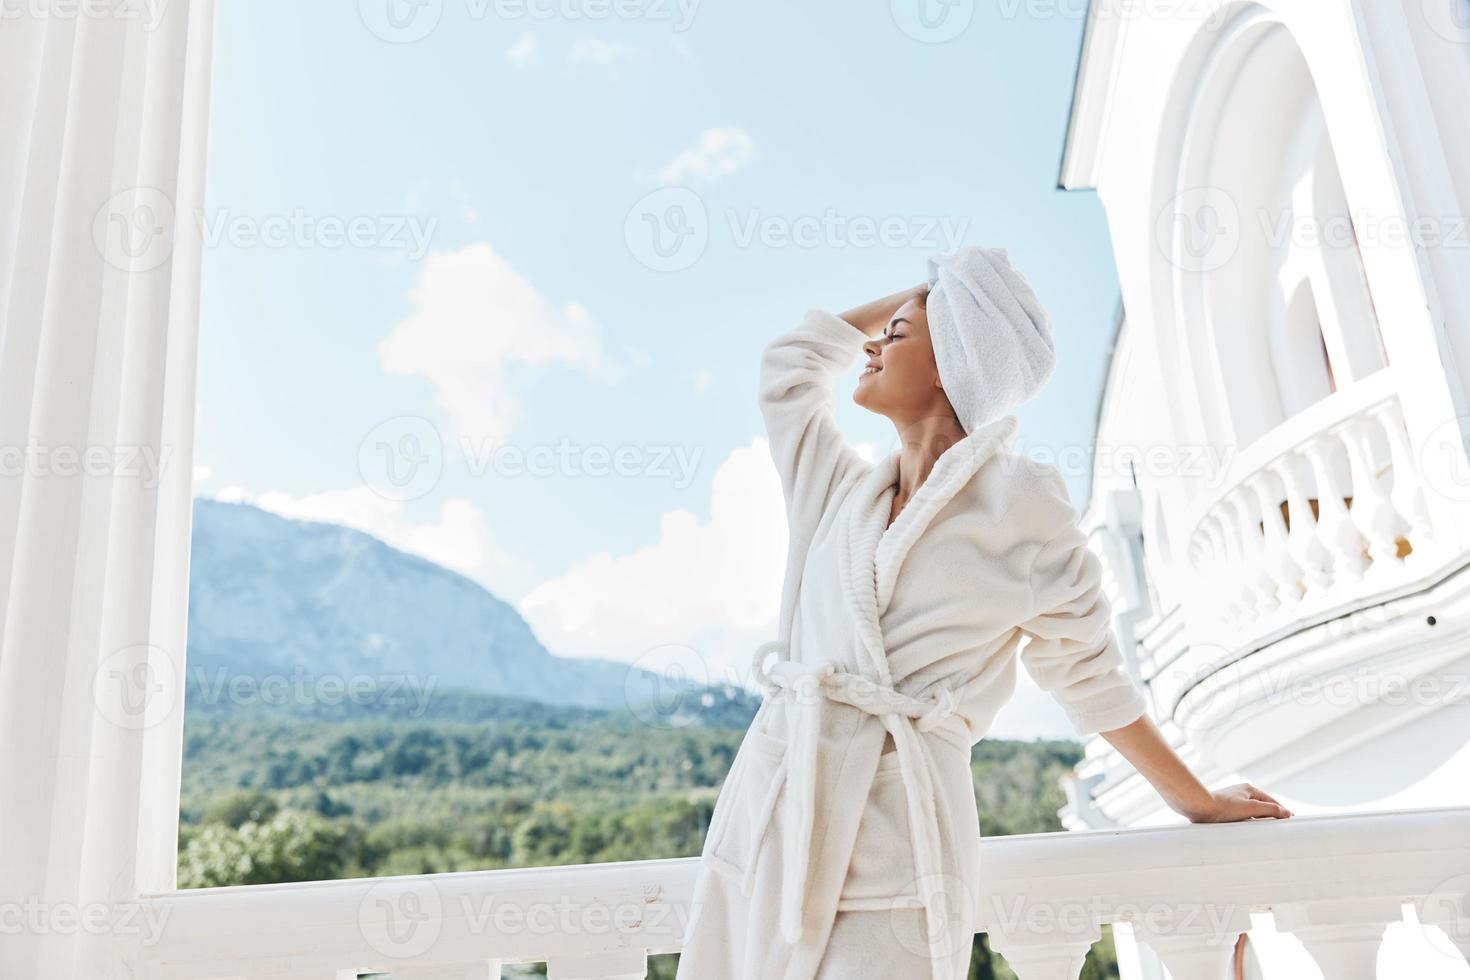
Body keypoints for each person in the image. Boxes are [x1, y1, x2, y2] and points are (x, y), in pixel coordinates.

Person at [674, 246, 1291, 980]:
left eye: (897, 336)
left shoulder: (1022, 504)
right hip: (773, 816)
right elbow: (789, 367)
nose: (870, 345)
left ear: (950, 365)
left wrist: (1196, 802)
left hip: (900, 835)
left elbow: (1088, 673)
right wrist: (924, 296)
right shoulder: (835, 492)